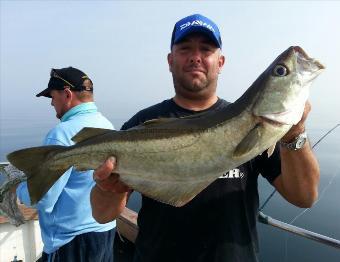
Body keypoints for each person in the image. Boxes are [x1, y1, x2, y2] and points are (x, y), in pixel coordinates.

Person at [90, 14, 320, 262]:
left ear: (220, 62)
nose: (195, 56)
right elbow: (103, 215)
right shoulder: (142, 125)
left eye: (206, 49)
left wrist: (295, 133)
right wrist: (107, 190)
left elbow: (304, 197)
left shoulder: (259, 128)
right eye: (185, 48)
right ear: (170, 60)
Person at [15, 67, 116, 261]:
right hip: (105, 232)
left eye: (52, 96)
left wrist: (19, 191)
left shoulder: (61, 134)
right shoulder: (106, 125)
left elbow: (43, 198)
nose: (52, 103)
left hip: (71, 242)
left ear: (67, 94)